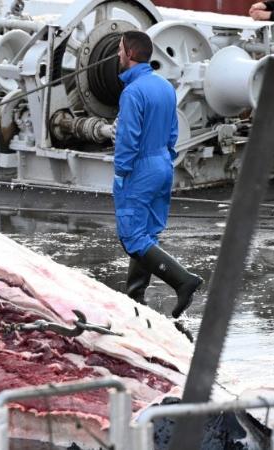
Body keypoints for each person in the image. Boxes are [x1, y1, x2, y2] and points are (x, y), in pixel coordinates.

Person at [113, 31, 203, 319]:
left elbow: (128, 137)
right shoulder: (165, 86)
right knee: (147, 232)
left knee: (132, 236)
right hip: (163, 164)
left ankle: (183, 281)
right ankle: (136, 297)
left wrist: (121, 171)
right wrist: (166, 158)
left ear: (129, 53)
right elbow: (173, 131)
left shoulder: (132, 92)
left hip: (140, 168)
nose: (117, 55)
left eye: (119, 50)